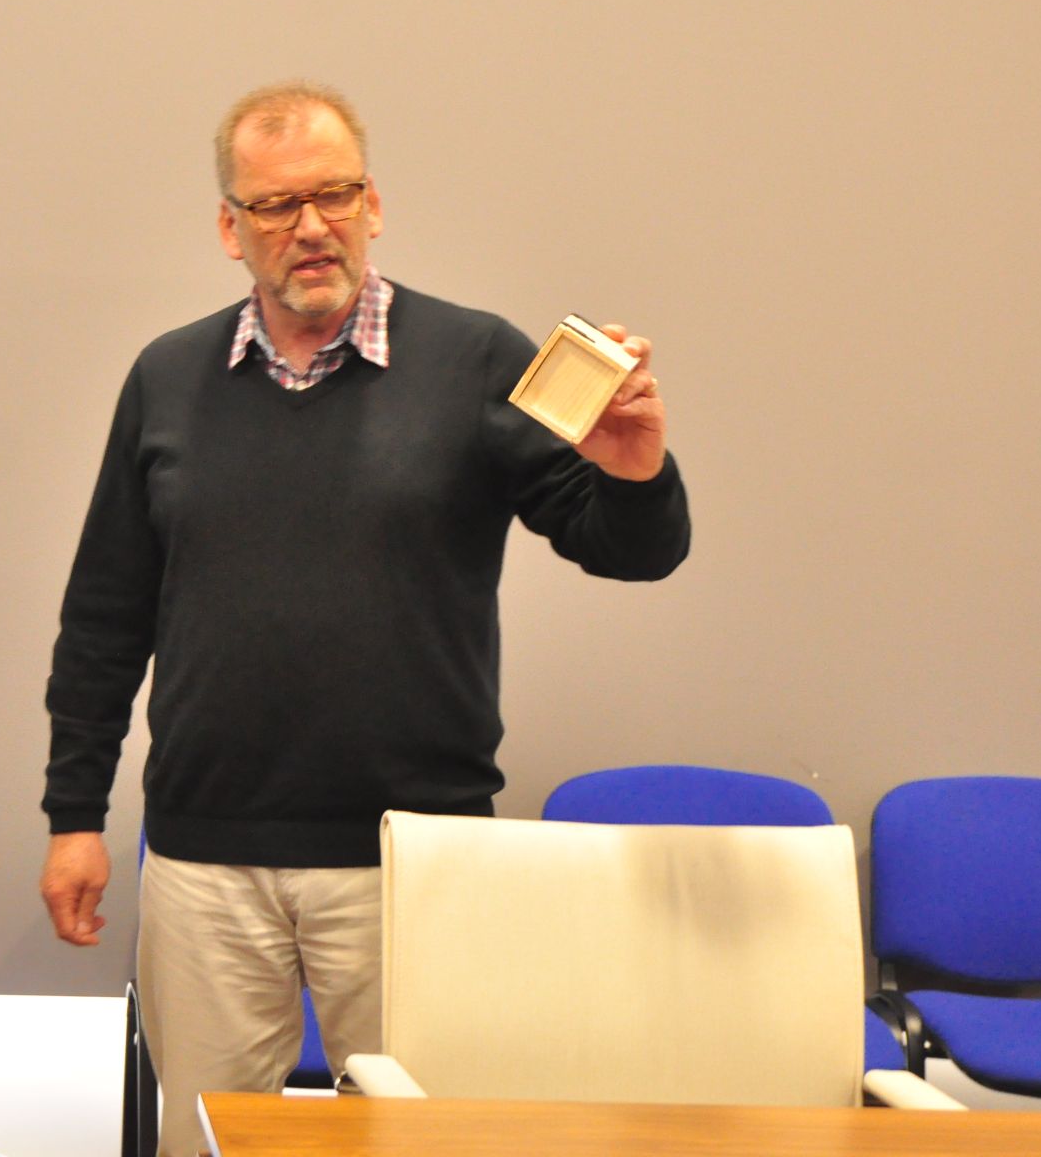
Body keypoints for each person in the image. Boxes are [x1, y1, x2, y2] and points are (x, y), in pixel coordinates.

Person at [37, 81, 690, 1156]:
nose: (310, 226)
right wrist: (74, 812)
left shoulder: (479, 360)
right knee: (202, 1143)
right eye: (275, 205)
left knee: (420, 1147)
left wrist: (633, 473)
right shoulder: (167, 376)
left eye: (334, 195)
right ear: (230, 229)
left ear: (373, 205)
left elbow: (632, 551)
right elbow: (105, 613)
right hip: (205, 861)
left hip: (413, 858)